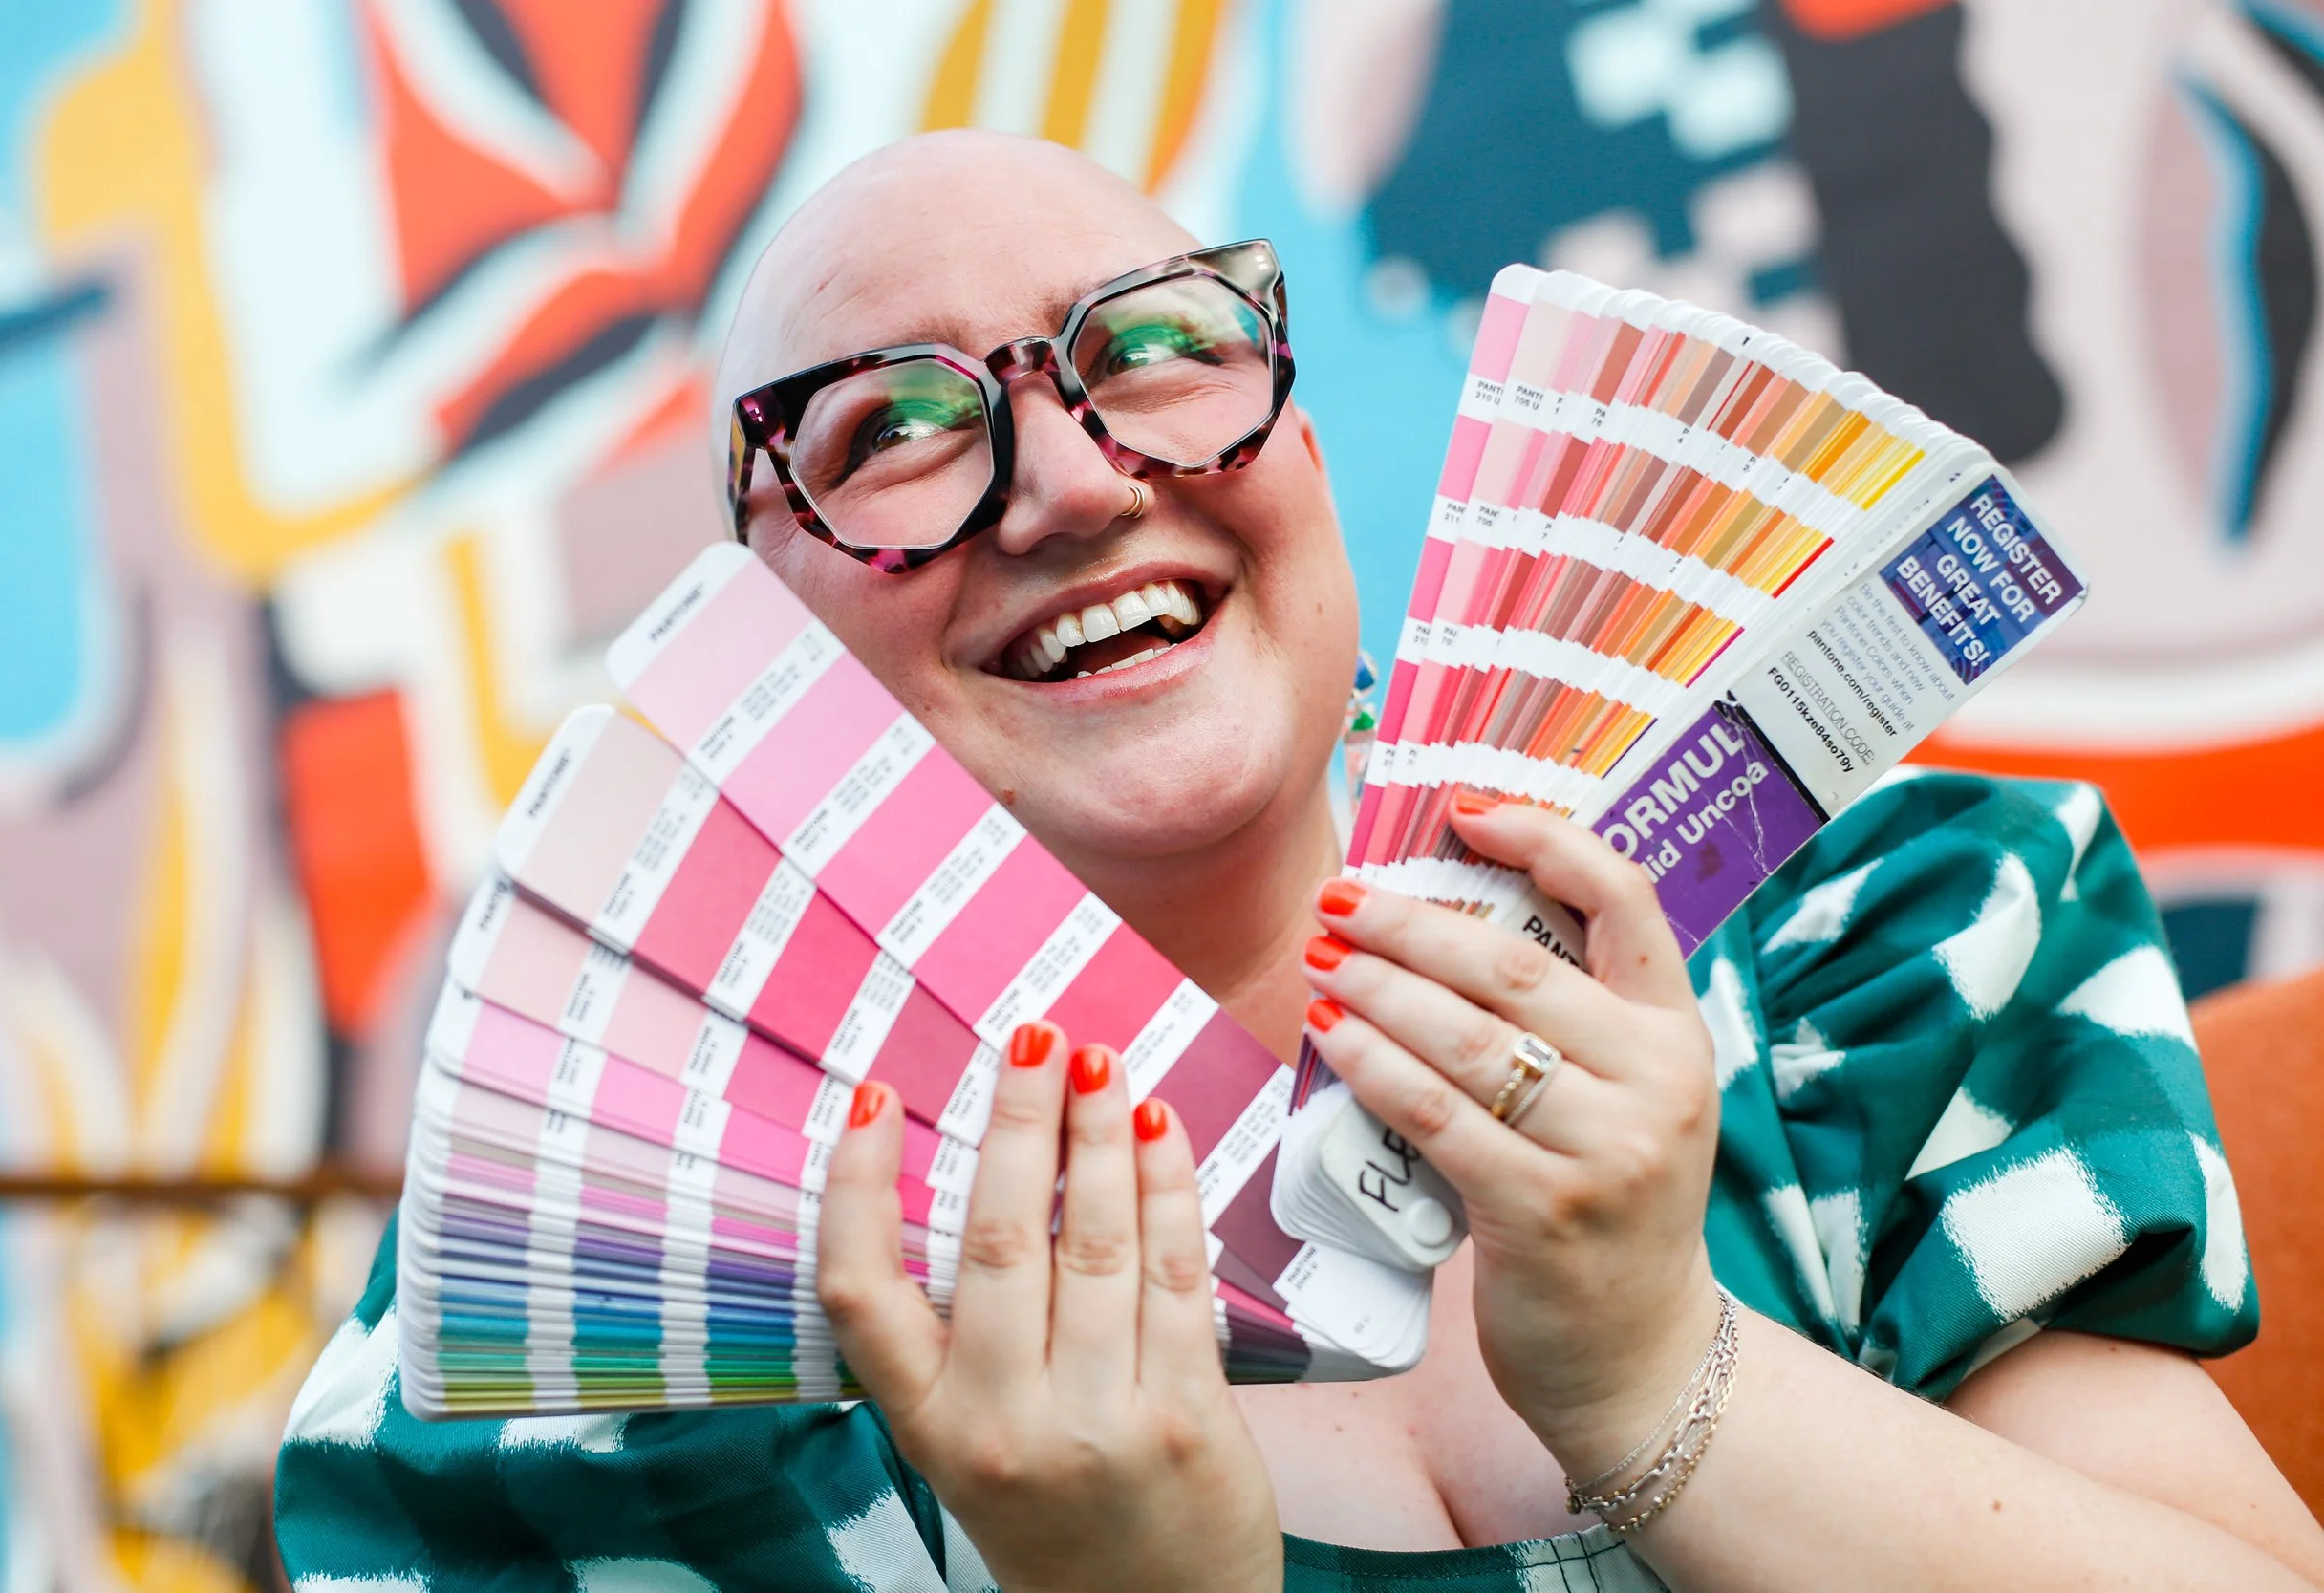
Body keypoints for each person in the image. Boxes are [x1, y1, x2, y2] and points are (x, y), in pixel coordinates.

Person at [275, 132, 2324, 1591]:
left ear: (1307, 462)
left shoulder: (1872, 947)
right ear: (760, 651)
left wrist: (1659, 1371)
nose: (1072, 483)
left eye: (1152, 350)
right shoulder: (599, 1327)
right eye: (890, 431)